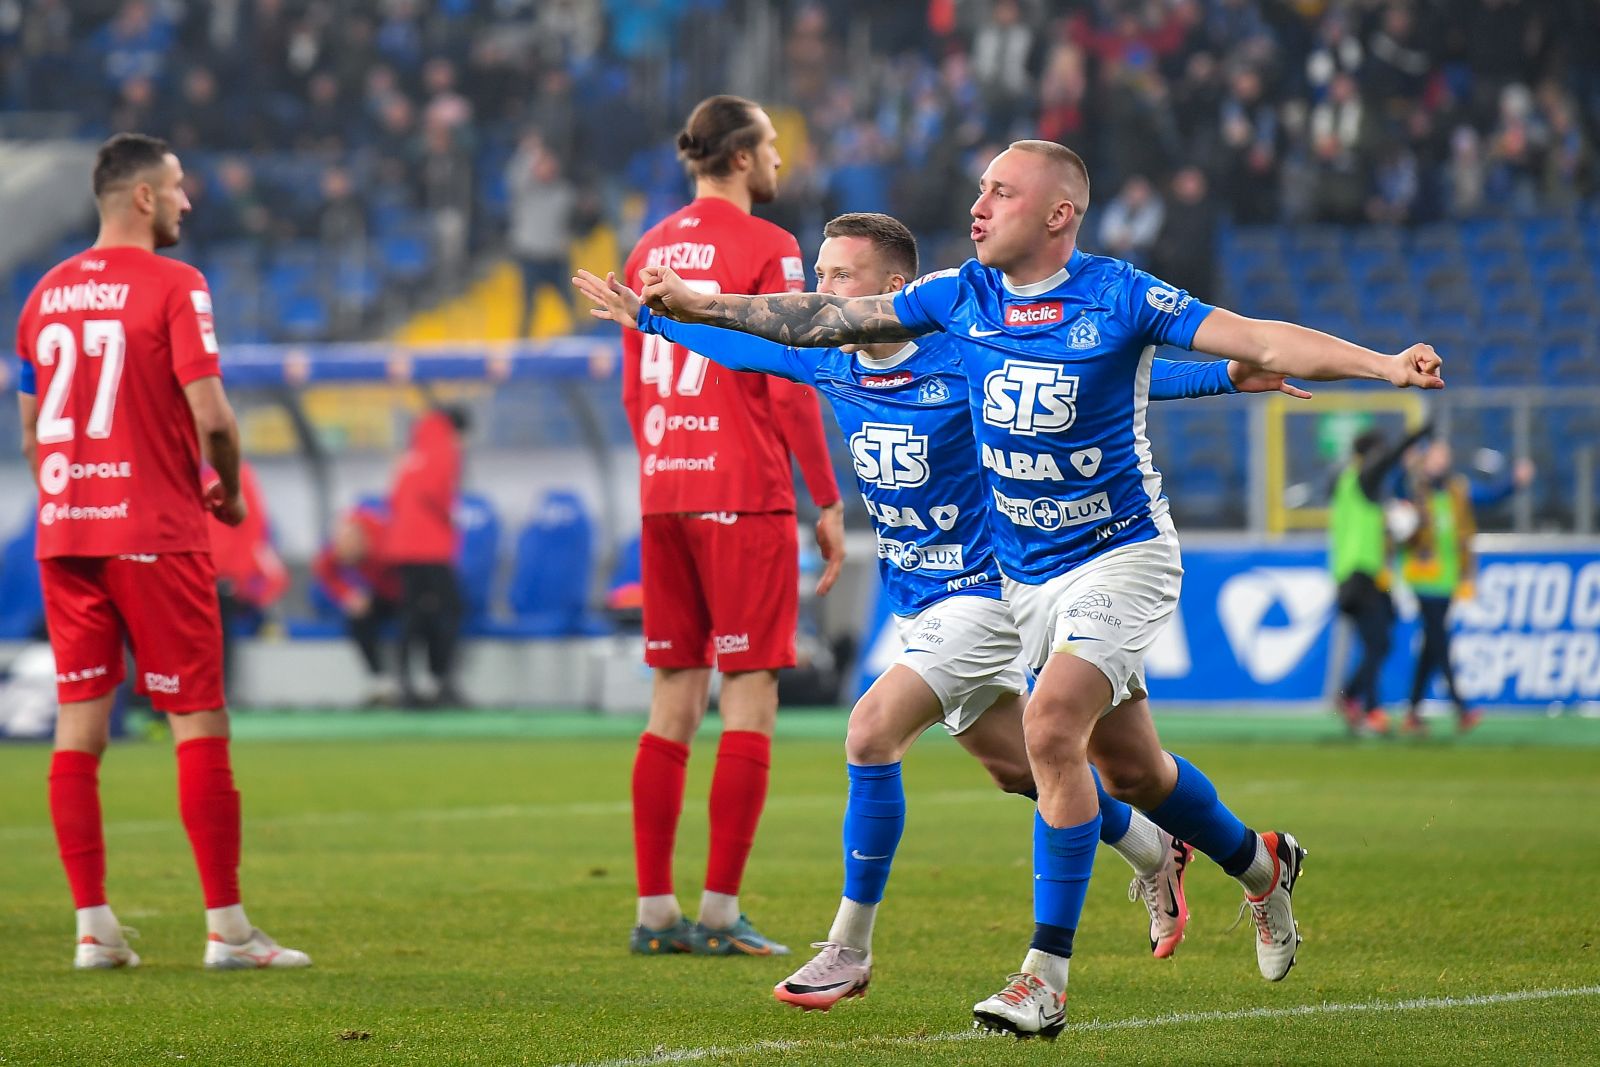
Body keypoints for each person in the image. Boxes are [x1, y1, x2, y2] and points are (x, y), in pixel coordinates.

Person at [635, 139, 1442, 1037]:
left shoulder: (1119, 294)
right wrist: (686, 311)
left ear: (1059, 214)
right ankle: (1262, 864)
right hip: (1027, 579)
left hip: (1120, 552)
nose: (977, 206)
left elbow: (1256, 337)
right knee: (1131, 768)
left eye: (1001, 192)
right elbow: (812, 323)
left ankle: (1041, 976)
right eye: (978, 189)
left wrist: (1379, 366)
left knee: (1046, 725)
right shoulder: (958, 298)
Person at [13, 132, 310, 970]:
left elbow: (32, 427)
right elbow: (212, 413)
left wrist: (70, 489)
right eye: (178, 187)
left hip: (68, 530)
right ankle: (227, 929)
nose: (189, 200)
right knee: (197, 718)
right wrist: (231, 489)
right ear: (142, 198)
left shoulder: (42, 293)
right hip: (153, 528)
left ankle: (93, 928)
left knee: (81, 725)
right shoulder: (177, 283)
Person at [619, 95, 846, 958]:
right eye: (775, 145)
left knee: (673, 693)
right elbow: (789, 380)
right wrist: (823, 498)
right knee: (750, 690)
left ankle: (652, 910)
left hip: (662, 486)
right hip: (742, 488)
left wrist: (661, 461)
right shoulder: (770, 248)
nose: (783, 158)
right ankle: (717, 909)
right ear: (744, 159)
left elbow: (637, 385)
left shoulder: (646, 248)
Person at [1397, 441, 1534, 734]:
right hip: (1422, 577)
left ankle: (1412, 713)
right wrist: (1404, 465)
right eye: (1435, 455)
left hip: (1448, 578)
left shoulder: (1456, 490)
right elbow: (1394, 494)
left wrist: (1514, 482)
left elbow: (1488, 497)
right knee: (1440, 640)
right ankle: (1460, 707)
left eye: (1444, 456)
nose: (1441, 461)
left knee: (1432, 646)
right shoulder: (1415, 488)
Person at [1330, 423, 1431, 735]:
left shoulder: (1349, 482)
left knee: (1378, 643)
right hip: (1360, 574)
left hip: (1360, 575)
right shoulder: (1363, 478)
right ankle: (1370, 709)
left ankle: (1351, 697)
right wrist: (1418, 434)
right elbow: (1386, 461)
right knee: (1378, 642)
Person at [385, 405, 466, 708]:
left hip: (402, 549)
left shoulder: (412, 452)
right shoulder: (444, 448)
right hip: (431, 548)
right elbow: (439, 493)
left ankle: (404, 684)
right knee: (452, 609)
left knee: (411, 614)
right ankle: (441, 680)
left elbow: (392, 498)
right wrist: (452, 518)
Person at [206, 458, 288, 700]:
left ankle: (216, 694)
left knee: (218, 635)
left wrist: (237, 574)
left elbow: (251, 527)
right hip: (197, 571)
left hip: (222, 575)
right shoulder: (193, 472)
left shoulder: (236, 474)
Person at [313, 503, 402, 707]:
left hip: (405, 594)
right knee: (357, 617)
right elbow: (325, 571)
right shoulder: (340, 546)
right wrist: (348, 595)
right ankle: (380, 681)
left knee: (416, 619)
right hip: (379, 594)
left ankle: (416, 682)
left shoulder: (385, 546)